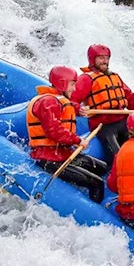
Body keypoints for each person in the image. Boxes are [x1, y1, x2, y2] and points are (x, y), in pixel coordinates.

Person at [27, 66, 108, 203]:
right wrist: (77, 140)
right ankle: (94, 213)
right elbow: (53, 131)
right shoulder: (47, 102)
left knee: (102, 167)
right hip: (48, 158)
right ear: (62, 83)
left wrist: (79, 109)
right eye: (72, 84)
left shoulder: (57, 99)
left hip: (62, 154)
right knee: (96, 183)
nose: (74, 88)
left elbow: (67, 106)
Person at [71, 43, 134, 163]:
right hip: (104, 125)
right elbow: (71, 101)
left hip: (123, 121)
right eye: (101, 58)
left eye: (107, 58)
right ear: (92, 59)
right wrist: (78, 109)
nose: (105, 61)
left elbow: (130, 97)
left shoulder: (115, 76)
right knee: (118, 156)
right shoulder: (86, 79)